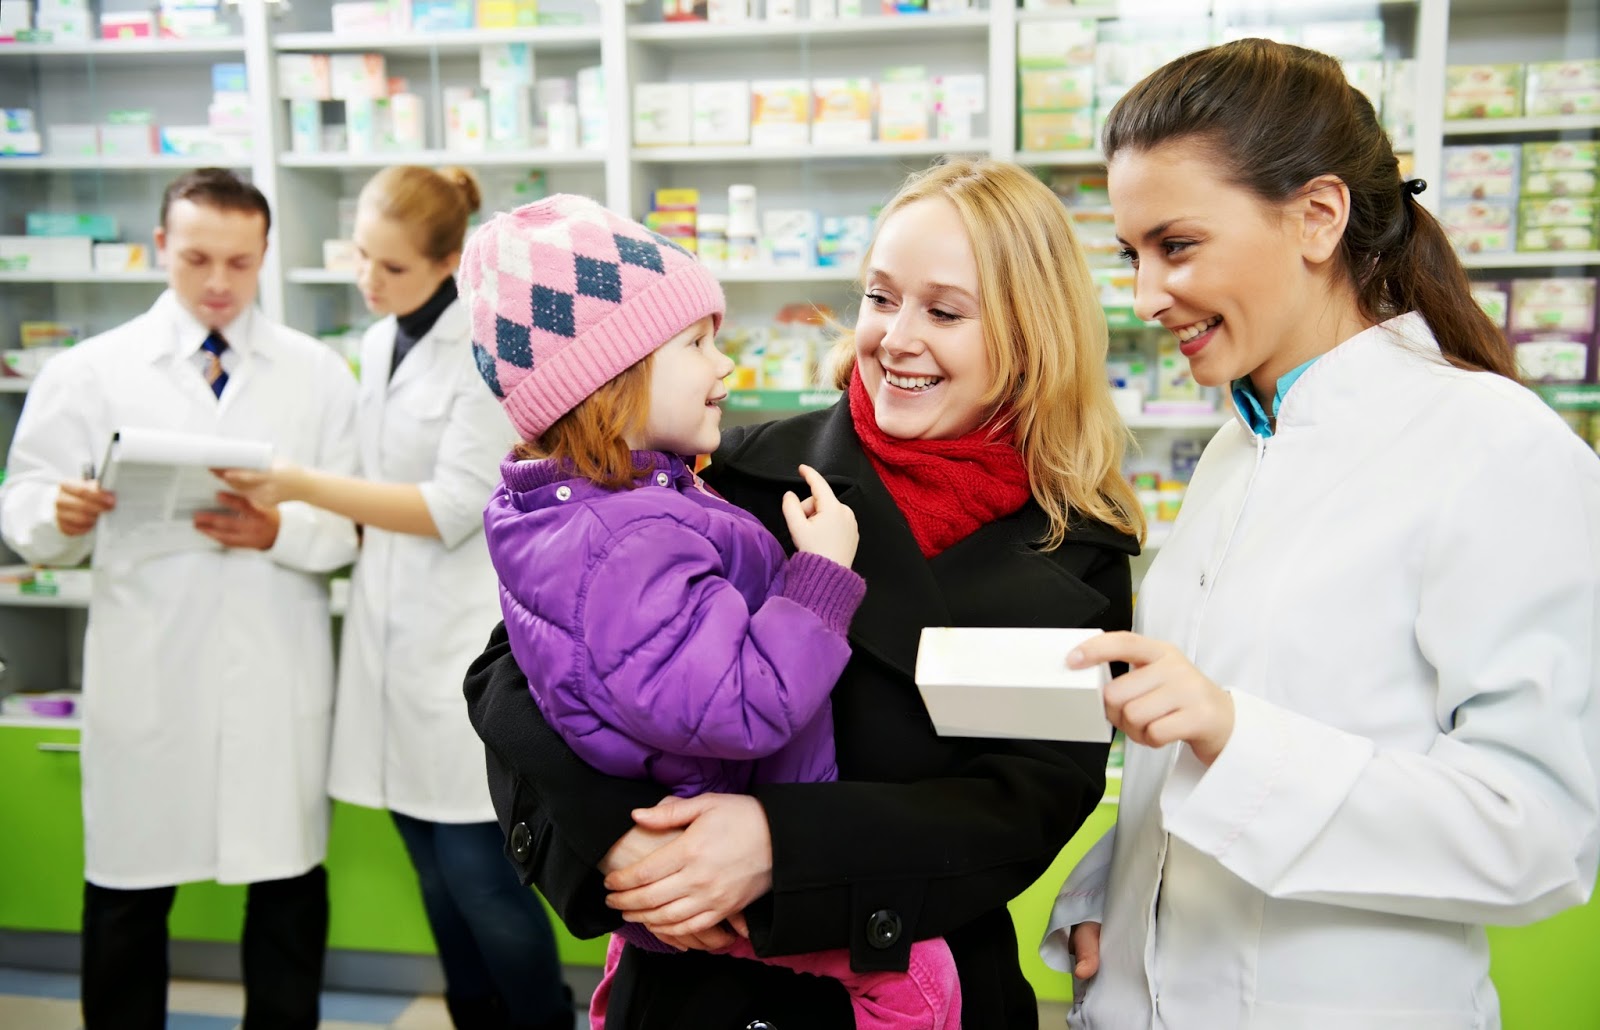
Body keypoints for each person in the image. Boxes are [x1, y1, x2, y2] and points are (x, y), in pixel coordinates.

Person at [461, 159, 1146, 1028]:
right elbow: (514, 674)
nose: (896, 339)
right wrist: (621, 847)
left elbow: (1027, 800)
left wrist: (780, 846)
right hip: (699, 985)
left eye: (944, 311)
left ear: (1030, 334)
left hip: (916, 971)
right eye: (879, 297)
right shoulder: (732, 475)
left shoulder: (1077, 544)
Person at [1041, 38, 1600, 1030]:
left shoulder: (1494, 447)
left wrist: (1234, 732)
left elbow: (1542, 837)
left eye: (1177, 245)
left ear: (1316, 216)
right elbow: (1198, 784)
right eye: (1131, 254)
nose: (1143, 296)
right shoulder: (1231, 455)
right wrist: (1115, 903)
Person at [0, 168, 361, 1030]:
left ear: (266, 255)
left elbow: (350, 526)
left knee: (285, 898)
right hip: (149, 668)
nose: (217, 282)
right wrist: (61, 511)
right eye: (197, 257)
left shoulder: (318, 374)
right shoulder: (88, 372)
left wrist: (278, 532)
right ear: (161, 245)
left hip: (275, 666)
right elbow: (24, 505)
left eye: (240, 262)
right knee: (128, 898)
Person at [215, 165, 572, 1030]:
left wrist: (299, 485)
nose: (370, 283)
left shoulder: (486, 356)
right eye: (361, 259)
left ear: (451, 260)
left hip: (458, 644)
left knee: (483, 880)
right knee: (433, 878)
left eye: (393, 268)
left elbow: (449, 508)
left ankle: (544, 1021)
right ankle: (474, 1018)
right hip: (387, 639)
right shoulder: (378, 342)